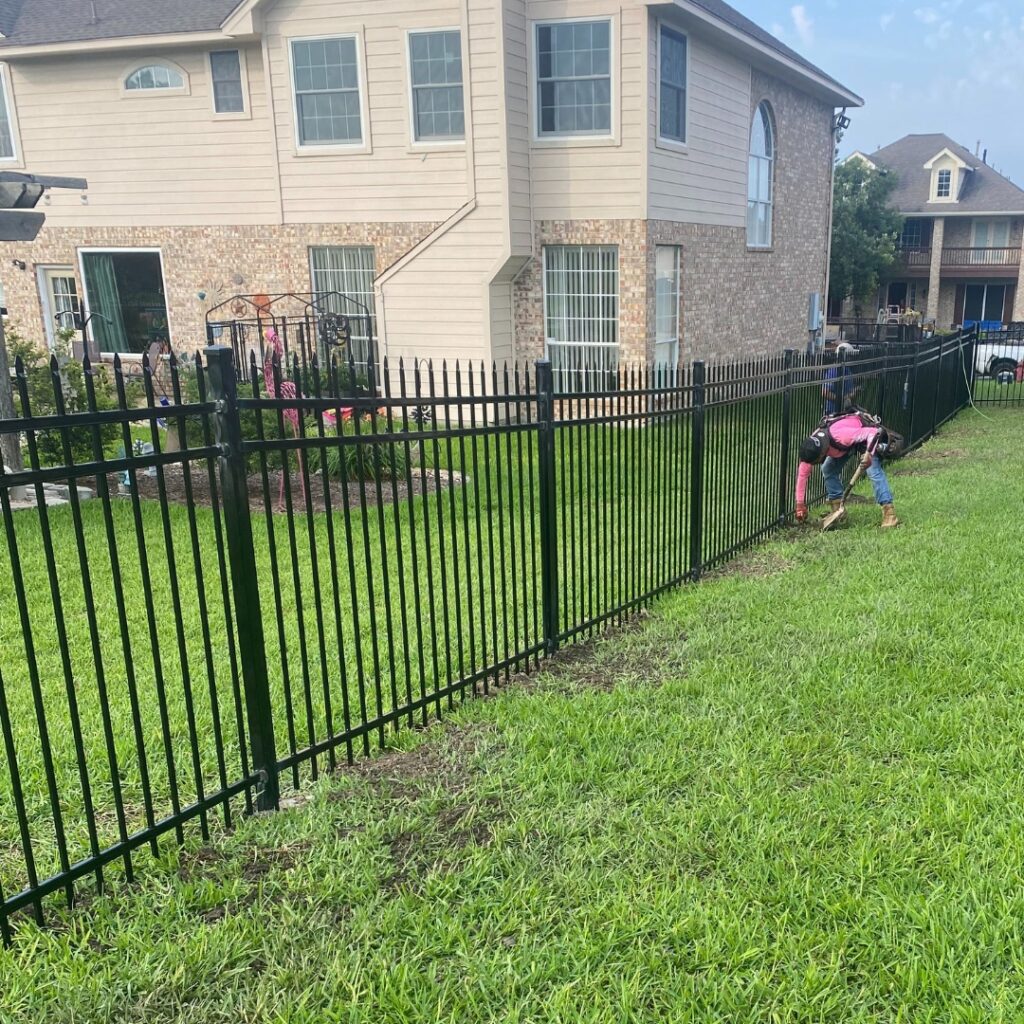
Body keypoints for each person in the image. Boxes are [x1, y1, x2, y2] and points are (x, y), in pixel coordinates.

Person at [795, 411, 901, 528]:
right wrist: (800, 504)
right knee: (828, 469)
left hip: (865, 439)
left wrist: (869, 454)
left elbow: (873, 432)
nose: (813, 464)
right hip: (844, 447)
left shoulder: (841, 436)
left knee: (873, 470)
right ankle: (838, 510)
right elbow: (802, 475)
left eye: (815, 462)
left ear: (821, 454)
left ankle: (889, 514)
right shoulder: (810, 449)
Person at [822, 342, 859, 415]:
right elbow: (825, 393)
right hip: (832, 412)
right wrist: (840, 399)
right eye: (851, 356)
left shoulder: (848, 371)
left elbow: (850, 392)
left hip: (845, 411)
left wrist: (855, 392)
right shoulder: (833, 372)